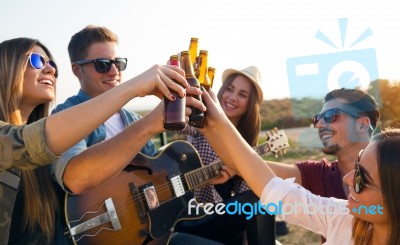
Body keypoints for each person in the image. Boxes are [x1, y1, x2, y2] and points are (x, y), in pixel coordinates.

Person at [0, 37, 188, 245]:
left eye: (52, 64)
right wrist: (134, 90)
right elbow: (30, 145)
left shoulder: (48, 153)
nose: (50, 70)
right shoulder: (22, 139)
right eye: (36, 61)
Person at [51, 25, 221, 245]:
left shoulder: (130, 118)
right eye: (103, 65)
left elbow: (157, 178)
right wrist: (150, 123)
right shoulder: (65, 115)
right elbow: (75, 179)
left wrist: (202, 175)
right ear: (77, 70)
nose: (114, 72)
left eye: (118, 63)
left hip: (149, 234)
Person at [201, 88, 398, 245]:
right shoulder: (341, 214)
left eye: (331, 115)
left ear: (362, 125)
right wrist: (209, 123)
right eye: (317, 118)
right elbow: (255, 173)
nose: (319, 124)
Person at [175, 66, 271, 244]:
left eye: (242, 94)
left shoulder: (248, 144)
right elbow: (184, 124)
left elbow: (247, 200)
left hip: (220, 220)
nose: (233, 97)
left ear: (250, 104)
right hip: (188, 216)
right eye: (230, 89)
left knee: (258, 199)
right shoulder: (201, 122)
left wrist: (233, 175)